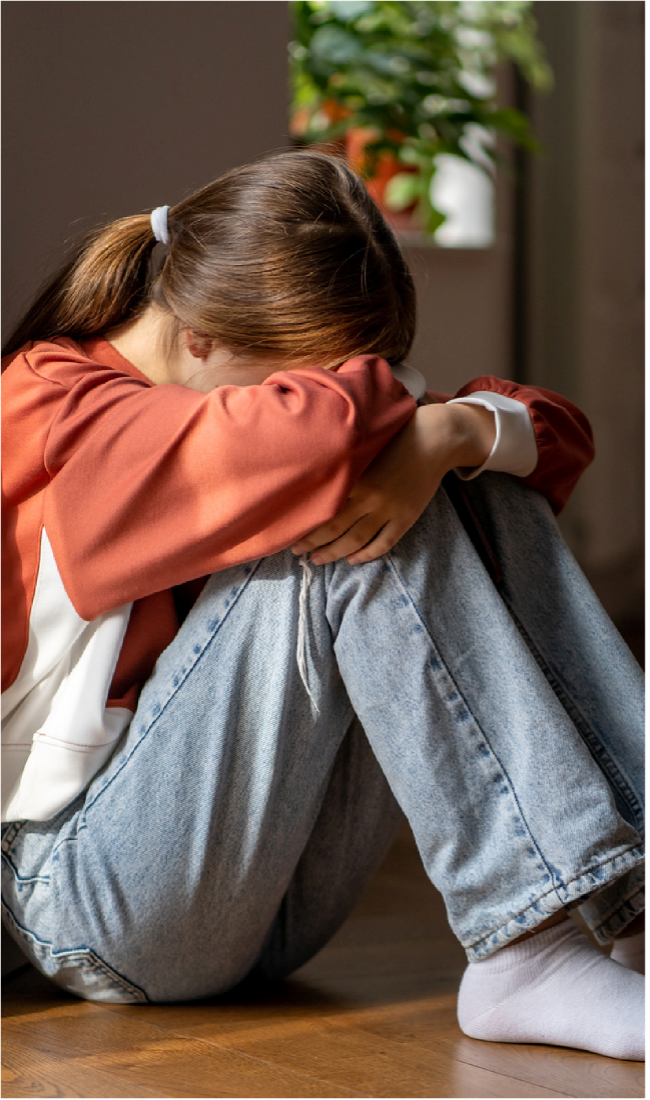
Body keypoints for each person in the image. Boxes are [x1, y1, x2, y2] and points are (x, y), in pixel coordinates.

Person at [0, 151, 644, 1061]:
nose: (333, 392)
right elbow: (321, 433)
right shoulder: (56, 409)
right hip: (89, 900)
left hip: (267, 897)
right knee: (355, 505)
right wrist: (421, 419)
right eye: (303, 377)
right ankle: (528, 946)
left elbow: (559, 440)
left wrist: (453, 431)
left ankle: (635, 904)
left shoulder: (227, 395)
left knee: (457, 479)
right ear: (198, 340)